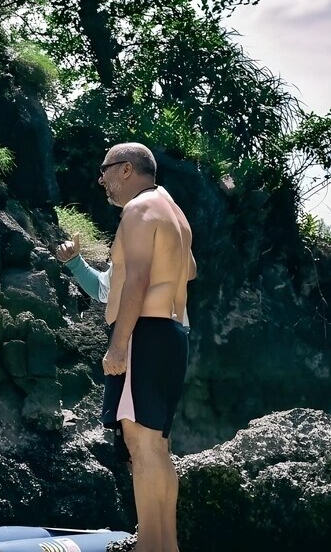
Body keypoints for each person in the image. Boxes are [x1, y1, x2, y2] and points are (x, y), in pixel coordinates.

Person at [94, 143, 195, 552]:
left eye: (105, 171)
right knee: (158, 446)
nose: (101, 180)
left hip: (144, 335)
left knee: (142, 446)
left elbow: (135, 280)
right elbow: (189, 269)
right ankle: (162, 544)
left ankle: (150, 547)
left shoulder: (137, 210)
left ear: (126, 169)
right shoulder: (175, 213)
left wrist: (119, 347)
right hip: (173, 333)